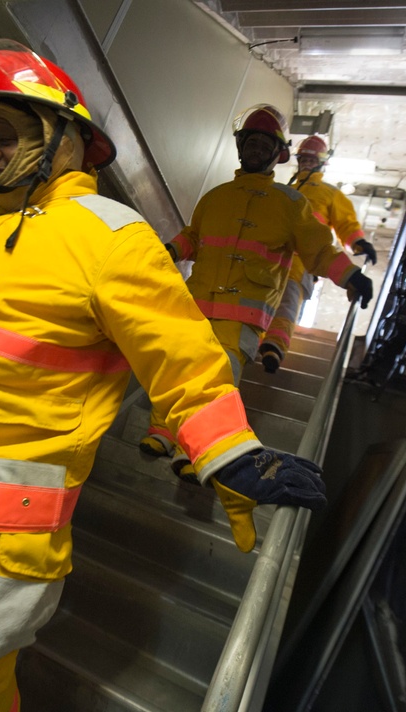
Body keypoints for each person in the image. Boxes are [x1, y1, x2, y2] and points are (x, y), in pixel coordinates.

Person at [0, 40, 327, 712]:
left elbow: (181, 355)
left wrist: (231, 449)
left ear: (65, 140)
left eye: (7, 132)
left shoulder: (112, 235)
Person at [139, 105, 373, 479]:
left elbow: (319, 251)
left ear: (278, 154)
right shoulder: (216, 197)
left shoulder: (291, 204)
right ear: (240, 147)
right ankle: (162, 431)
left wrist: (350, 275)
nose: (255, 150)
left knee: (218, 380)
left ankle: (192, 448)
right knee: (178, 367)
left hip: (244, 315)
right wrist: (170, 249)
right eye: (251, 142)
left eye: (265, 144)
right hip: (195, 303)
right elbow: (194, 237)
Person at [257, 135, 377, 373]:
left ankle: (274, 347)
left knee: (287, 305)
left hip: (303, 263)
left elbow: (346, 224)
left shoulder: (330, 194)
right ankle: (257, 341)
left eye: (311, 161)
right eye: (304, 160)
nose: (307, 164)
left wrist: (359, 243)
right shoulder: (283, 190)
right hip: (269, 260)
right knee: (258, 302)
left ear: (321, 163)